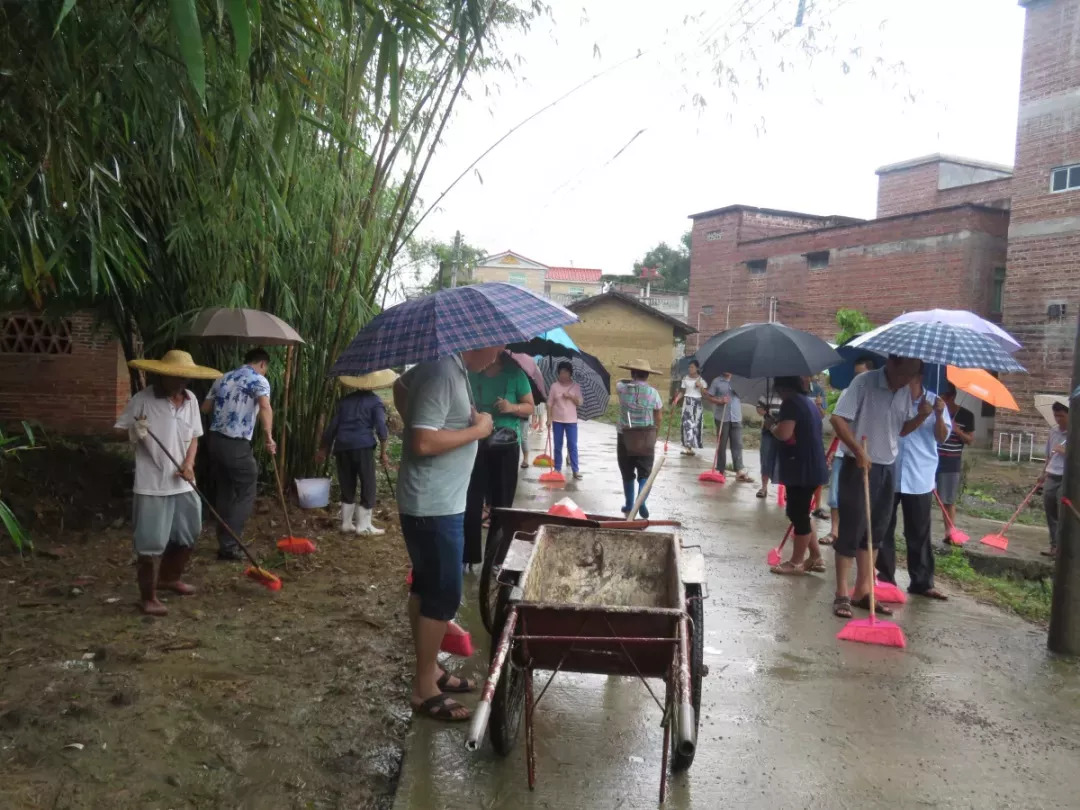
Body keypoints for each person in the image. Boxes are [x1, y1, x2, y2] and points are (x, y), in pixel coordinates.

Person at [392, 348, 497, 721]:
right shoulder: (442, 372)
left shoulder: (450, 366)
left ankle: (429, 669)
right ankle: (423, 690)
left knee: (426, 588)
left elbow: (399, 386)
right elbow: (422, 442)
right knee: (443, 594)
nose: (498, 354)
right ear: (475, 338)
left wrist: (466, 423)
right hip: (434, 505)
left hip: (436, 501)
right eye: (496, 344)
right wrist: (477, 430)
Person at [116, 350, 221, 616]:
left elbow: (195, 436)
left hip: (184, 482)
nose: (180, 381)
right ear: (162, 375)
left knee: (189, 532)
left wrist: (189, 464)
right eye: (175, 376)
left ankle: (169, 578)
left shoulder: (192, 400)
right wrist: (134, 432)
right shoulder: (143, 400)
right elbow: (117, 430)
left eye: (184, 376)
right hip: (152, 483)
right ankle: (148, 597)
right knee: (150, 543)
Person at [829, 354, 924, 619]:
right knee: (851, 530)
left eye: (914, 376)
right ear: (892, 364)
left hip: (887, 466)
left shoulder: (904, 391)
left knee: (875, 532)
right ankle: (841, 594)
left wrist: (922, 416)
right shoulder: (863, 383)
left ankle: (863, 591)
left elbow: (901, 430)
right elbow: (837, 419)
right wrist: (857, 449)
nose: (908, 381)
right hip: (858, 465)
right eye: (906, 374)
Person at [877, 373, 951, 599]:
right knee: (884, 528)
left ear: (918, 376)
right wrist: (919, 416)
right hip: (891, 469)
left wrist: (938, 416)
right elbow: (893, 429)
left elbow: (942, 438)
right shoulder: (894, 398)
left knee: (918, 531)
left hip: (920, 475)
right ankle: (884, 579)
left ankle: (922, 582)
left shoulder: (936, 401)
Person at [202, 348, 275, 561]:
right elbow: (265, 407)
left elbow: (205, 408)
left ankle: (224, 541)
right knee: (246, 490)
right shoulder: (259, 380)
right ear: (262, 364)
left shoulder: (222, 378)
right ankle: (229, 545)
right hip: (236, 444)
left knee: (225, 490)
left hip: (215, 441)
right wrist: (269, 437)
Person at [464, 353, 534, 568]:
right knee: (471, 501)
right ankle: (468, 555)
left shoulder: (515, 374)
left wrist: (511, 407)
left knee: (502, 504)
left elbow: (529, 406)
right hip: (475, 442)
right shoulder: (471, 373)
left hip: (505, 444)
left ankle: (497, 558)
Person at [317, 371, 393, 535]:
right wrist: (384, 452)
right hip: (363, 446)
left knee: (347, 482)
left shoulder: (345, 401)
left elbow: (332, 427)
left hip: (342, 445)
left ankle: (346, 524)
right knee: (368, 483)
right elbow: (381, 427)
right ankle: (363, 526)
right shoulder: (375, 402)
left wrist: (324, 448)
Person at [767, 376, 829, 575]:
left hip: (801, 467)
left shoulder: (791, 403)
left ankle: (796, 563)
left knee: (797, 514)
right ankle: (816, 557)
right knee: (802, 512)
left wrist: (771, 426)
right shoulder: (808, 403)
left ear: (784, 388)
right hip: (812, 465)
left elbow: (785, 434)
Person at [823, 357, 875, 546]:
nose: (857, 379)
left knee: (864, 500)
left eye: (861, 375)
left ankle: (860, 537)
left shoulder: (878, 396)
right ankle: (835, 531)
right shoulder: (847, 392)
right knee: (836, 495)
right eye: (855, 375)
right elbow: (837, 421)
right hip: (844, 451)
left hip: (871, 453)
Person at [615, 359, 664, 518]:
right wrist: (655, 435)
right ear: (648, 375)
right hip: (646, 437)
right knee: (645, 474)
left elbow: (618, 382)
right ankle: (640, 500)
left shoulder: (622, 390)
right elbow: (659, 416)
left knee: (627, 472)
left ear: (632, 373)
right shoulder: (653, 393)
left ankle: (629, 504)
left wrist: (632, 380)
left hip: (625, 437)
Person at [936, 383, 975, 544]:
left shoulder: (967, 415)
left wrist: (957, 430)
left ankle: (949, 533)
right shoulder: (936, 412)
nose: (940, 400)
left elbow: (970, 440)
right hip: (933, 459)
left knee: (948, 500)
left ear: (951, 397)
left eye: (943, 397)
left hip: (951, 462)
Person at [705, 371, 752, 482]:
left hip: (736, 417)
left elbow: (744, 394)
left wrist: (740, 391)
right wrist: (720, 400)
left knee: (737, 444)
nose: (727, 370)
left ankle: (739, 470)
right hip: (722, 417)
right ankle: (721, 470)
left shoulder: (738, 381)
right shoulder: (717, 381)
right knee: (722, 445)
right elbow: (709, 396)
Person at [548, 361, 584, 480]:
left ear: (570, 373)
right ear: (558, 373)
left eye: (566, 372)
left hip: (571, 421)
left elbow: (579, 402)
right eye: (561, 372)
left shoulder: (576, 386)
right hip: (557, 421)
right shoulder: (554, 386)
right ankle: (557, 468)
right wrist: (549, 419)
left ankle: (575, 469)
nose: (563, 375)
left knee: (572, 445)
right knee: (558, 445)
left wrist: (571, 396)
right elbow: (549, 404)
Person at [1042, 401, 1069, 558]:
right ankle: (1054, 546)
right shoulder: (1053, 432)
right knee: (1050, 510)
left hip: (1066, 477)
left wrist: (1064, 450)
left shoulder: (1075, 433)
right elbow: (1048, 455)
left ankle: (1064, 549)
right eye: (1056, 415)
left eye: (1062, 415)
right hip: (1051, 474)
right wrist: (1042, 473)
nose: (1058, 419)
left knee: (1062, 512)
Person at [756, 389, 784, 498]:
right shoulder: (767, 394)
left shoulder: (789, 395)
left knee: (784, 459)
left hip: (783, 429)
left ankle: (784, 491)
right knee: (766, 457)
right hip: (768, 430)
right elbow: (759, 408)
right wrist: (765, 412)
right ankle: (763, 487)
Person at [675, 360, 707, 456]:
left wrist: (700, 386)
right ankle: (687, 446)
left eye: (692, 367)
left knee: (696, 424)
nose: (690, 369)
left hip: (697, 403)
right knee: (686, 423)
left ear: (697, 368)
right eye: (689, 367)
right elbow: (682, 391)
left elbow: (705, 394)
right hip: (687, 402)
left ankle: (693, 446)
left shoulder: (701, 380)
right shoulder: (685, 378)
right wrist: (676, 399)